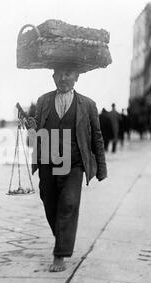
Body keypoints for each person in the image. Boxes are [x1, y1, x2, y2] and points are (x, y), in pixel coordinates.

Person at [25, 64, 107, 272]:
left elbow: (96, 136)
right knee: (49, 201)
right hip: (48, 162)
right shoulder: (43, 101)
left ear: (77, 77)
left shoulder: (88, 105)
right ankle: (63, 237)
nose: (63, 77)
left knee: (69, 203)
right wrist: (31, 130)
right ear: (53, 77)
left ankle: (60, 254)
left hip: (74, 163)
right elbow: (34, 139)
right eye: (59, 74)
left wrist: (101, 168)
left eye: (68, 73)